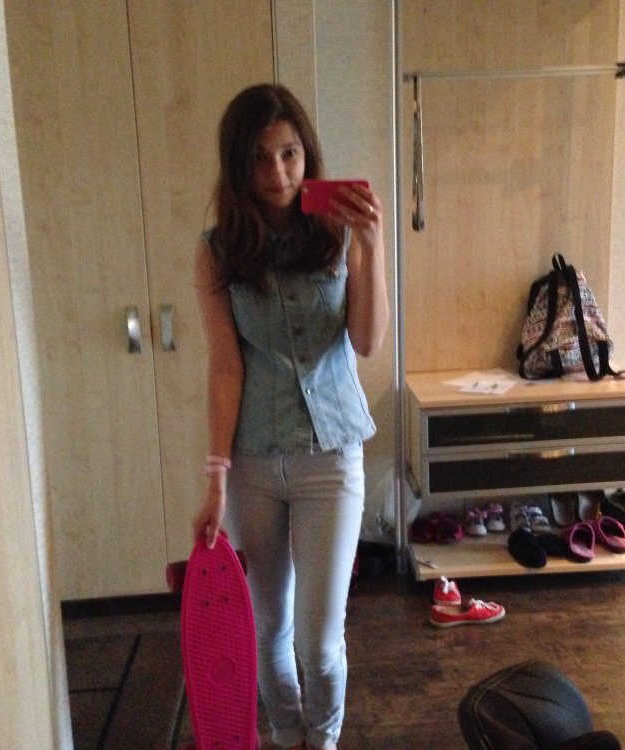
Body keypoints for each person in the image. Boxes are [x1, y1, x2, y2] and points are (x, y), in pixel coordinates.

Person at [192, 83, 388, 750]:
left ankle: (322, 741)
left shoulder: (338, 233)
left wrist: (371, 249)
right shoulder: (218, 250)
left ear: (308, 154)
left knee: (319, 640)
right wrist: (216, 479)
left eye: (289, 154)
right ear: (236, 164)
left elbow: (366, 341)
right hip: (252, 462)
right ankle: (284, 735)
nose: (277, 172)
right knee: (268, 626)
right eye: (259, 157)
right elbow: (226, 366)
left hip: (330, 457)